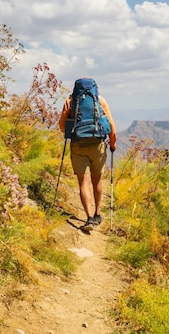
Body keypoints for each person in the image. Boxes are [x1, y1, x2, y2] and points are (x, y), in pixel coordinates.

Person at [58, 79, 117, 232]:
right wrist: (112, 143)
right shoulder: (100, 100)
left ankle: (89, 218)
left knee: (83, 182)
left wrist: (71, 130)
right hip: (98, 145)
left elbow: (62, 126)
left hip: (78, 145)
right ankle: (98, 214)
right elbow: (111, 125)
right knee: (96, 181)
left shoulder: (70, 101)